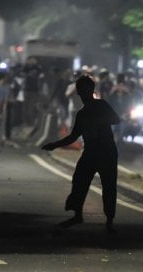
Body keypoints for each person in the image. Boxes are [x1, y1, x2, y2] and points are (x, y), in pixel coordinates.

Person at [42, 75, 120, 232]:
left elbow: (116, 119)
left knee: (109, 187)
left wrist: (99, 120)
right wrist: (55, 145)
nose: (82, 93)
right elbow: (73, 137)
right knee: (79, 180)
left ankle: (109, 220)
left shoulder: (101, 105)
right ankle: (77, 213)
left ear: (91, 91)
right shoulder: (81, 114)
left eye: (84, 90)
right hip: (91, 153)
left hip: (107, 152)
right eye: (80, 90)